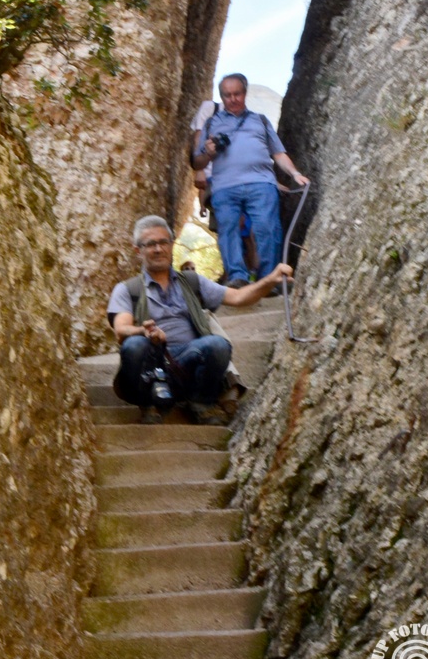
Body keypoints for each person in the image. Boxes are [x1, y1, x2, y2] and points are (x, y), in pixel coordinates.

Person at [107, 215, 293, 425]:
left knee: (217, 345)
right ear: (138, 250)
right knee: (133, 345)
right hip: (151, 364)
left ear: (171, 245)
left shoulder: (192, 282)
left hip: (188, 360)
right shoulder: (127, 289)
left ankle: (201, 402)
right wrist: (143, 332)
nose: (158, 249)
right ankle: (148, 403)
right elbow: (121, 329)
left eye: (163, 242)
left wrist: (271, 279)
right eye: (150, 244)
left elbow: (239, 297)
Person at [193, 73, 309, 291]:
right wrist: (208, 153)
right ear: (221, 97)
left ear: (245, 93)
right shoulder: (211, 123)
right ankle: (237, 277)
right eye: (227, 95)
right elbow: (197, 161)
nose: (232, 99)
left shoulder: (260, 120)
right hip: (224, 186)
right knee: (228, 230)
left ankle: (269, 280)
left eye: (237, 94)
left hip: (261, 183)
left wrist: (295, 173)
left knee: (268, 228)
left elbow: (278, 153)